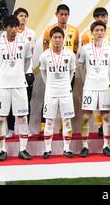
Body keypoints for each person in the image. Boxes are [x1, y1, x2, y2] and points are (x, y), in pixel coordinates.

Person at [0, 15, 33, 161]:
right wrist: (5, 74)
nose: (14, 30)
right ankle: (2, 149)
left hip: (19, 85)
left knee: (22, 118)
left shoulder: (25, 43)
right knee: (1, 118)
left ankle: (23, 149)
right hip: (3, 85)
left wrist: (18, 74)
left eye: (16, 27)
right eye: (11, 27)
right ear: (5, 28)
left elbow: (27, 62)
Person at [80, 7, 110, 137]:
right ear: (95, 19)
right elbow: (85, 57)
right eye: (99, 17)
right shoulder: (87, 35)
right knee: (96, 103)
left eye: (104, 16)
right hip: (94, 76)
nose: (102, 19)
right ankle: (100, 126)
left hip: (109, 72)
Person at [77, 21, 110, 157]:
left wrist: (104, 79)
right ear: (91, 32)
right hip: (89, 87)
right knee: (86, 116)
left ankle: (106, 145)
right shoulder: (85, 48)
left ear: (105, 33)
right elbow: (80, 67)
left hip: (104, 87)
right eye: (96, 30)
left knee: (105, 116)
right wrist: (87, 79)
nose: (99, 32)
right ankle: (84, 146)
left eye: (101, 30)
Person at [40, 4, 79, 138]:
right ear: (56, 14)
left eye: (65, 14)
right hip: (52, 72)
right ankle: (43, 127)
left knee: (66, 106)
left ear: (68, 15)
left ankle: (64, 129)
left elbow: (75, 48)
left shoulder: (75, 30)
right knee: (48, 104)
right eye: (61, 14)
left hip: (66, 70)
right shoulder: (48, 30)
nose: (63, 16)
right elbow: (45, 49)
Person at [40, 26, 76, 158]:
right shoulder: (44, 55)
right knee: (49, 121)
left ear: (63, 39)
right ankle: (47, 149)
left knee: (66, 121)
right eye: (54, 37)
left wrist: (66, 84)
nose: (57, 40)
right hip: (50, 91)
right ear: (50, 39)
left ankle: (66, 149)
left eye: (60, 37)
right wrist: (49, 85)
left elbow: (72, 72)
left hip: (66, 91)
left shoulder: (70, 54)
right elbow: (43, 73)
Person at [6, 8, 36, 138]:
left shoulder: (31, 33)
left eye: (25, 16)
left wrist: (25, 70)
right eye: (20, 16)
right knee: (11, 102)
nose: (23, 18)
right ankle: (11, 129)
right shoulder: (9, 33)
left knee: (26, 102)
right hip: (12, 73)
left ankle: (25, 129)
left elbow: (30, 55)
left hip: (27, 71)